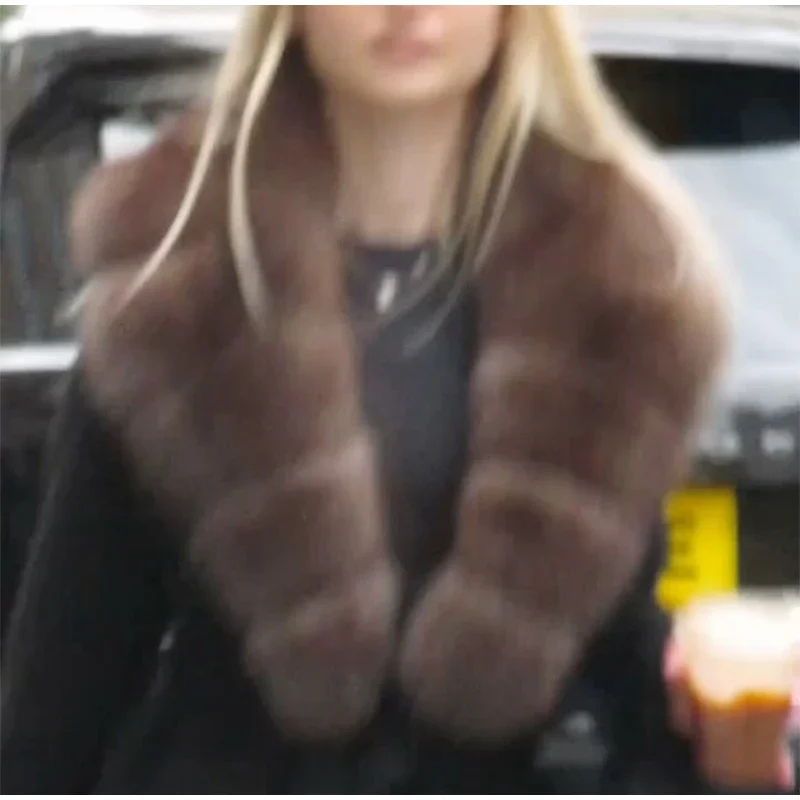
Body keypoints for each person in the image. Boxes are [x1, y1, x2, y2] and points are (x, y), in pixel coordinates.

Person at [0, 6, 792, 794]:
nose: (409, 7)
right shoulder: (182, 287)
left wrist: (735, 757)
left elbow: (625, 685)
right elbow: (59, 700)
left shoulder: (604, 299)